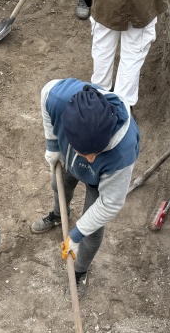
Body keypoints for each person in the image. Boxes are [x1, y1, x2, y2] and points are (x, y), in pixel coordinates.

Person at [31, 78, 139, 298]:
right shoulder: (59, 98)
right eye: (86, 153)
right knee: (58, 184)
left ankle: (79, 272)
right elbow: (46, 93)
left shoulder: (122, 152)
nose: (90, 160)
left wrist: (77, 235)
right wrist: (53, 146)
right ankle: (59, 215)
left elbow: (110, 204)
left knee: (92, 231)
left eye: (96, 153)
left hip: (101, 179)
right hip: (69, 158)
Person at [89, 0, 167, 110]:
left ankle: (98, 96)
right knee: (133, 52)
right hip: (141, 4)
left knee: (103, 46)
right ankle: (122, 106)